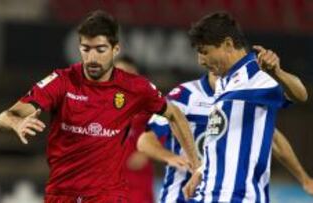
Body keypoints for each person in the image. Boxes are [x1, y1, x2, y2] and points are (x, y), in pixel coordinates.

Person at [0, 10, 200, 203]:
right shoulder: (62, 81)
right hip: (61, 194)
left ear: (115, 49)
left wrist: (195, 164)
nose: (92, 58)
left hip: (107, 196)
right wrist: (16, 123)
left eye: (100, 50)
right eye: (86, 49)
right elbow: (6, 116)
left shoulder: (134, 87)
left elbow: (174, 114)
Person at [181, 12, 308, 202]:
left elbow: (301, 95)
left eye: (205, 51)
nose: (200, 60)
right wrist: (201, 170)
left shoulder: (257, 71)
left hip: (236, 196)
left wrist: (278, 73)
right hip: (209, 192)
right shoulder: (224, 81)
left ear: (228, 44)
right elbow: (223, 138)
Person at [138, 71, 313, 203]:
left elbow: (273, 139)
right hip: (181, 195)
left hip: (223, 194)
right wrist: (171, 157)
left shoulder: (245, 96)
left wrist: (304, 179)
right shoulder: (185, 95)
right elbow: (145, 140)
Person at [115, 55, 155, 203]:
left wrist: (146, 153)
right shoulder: (100, 101)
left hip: (137, 180)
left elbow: (166, 125)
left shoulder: (149, 100)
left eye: (127, 72)